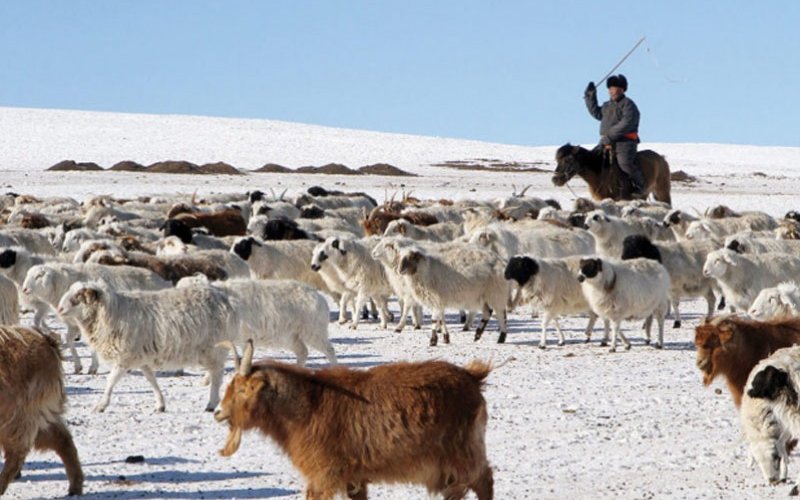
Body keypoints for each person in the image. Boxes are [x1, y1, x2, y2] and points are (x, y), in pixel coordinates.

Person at [584, 74, 644, 199]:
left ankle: (639, 185)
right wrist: (590, 97)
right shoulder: (607, 106)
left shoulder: (629, 105)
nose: (613, 92)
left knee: (625, 163)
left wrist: (610, 136)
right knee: (591, 160)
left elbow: (627, 123)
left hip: (625, 142)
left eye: (617, 89)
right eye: (611, 89)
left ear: (623, 90)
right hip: (606, 141)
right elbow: (597, 113)